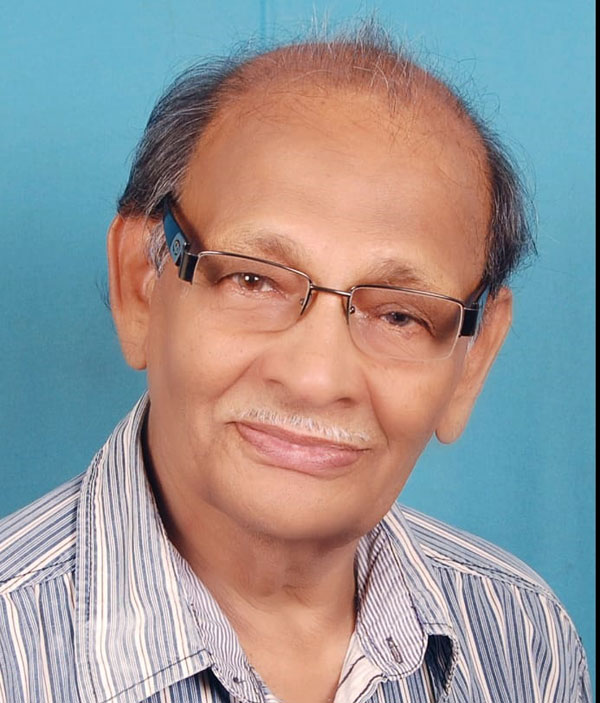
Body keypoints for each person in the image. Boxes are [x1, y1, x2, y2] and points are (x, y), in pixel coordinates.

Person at [0, 26, 591, 703]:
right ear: (141, 284)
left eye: (399, 315)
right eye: (253, 281)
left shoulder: (525, 639)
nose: (315, 379)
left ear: (473, 357)